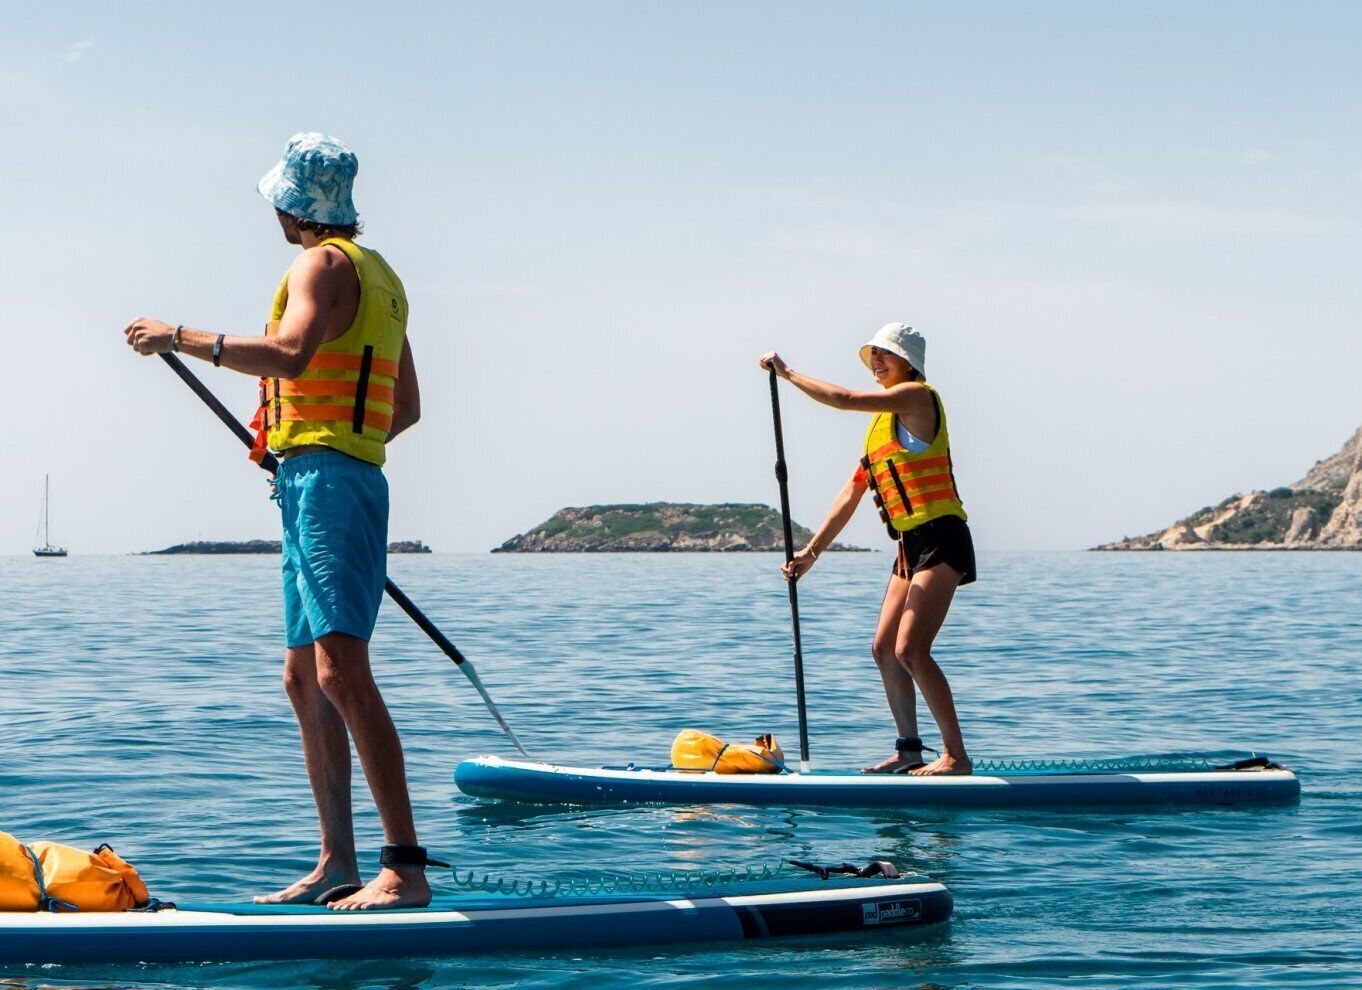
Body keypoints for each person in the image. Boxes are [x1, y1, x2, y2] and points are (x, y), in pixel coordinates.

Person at [122, 133, 433, 908]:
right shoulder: (381, 277)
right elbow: (405, 407)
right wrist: (305, 444)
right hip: (317, 479)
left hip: (330, 486)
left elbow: (292, 355)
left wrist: (180, 339)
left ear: (294, 205)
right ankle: (338, 862)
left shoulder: (320, 264)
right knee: (303, 678)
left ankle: (405, 868)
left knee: (340, 671)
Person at [758, 323, 975, 776]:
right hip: (908, 545)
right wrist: (810, 554)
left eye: (885, 355)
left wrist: (788, 373)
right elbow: (849, 496)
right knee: (883, 648)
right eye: (872, 355)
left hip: (942, 536)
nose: (876, 362)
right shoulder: (879, 429)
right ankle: (910, 750)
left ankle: (956, 756)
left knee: (911, 649)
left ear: (908, 363)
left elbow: (844, 399)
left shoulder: (918, 396)